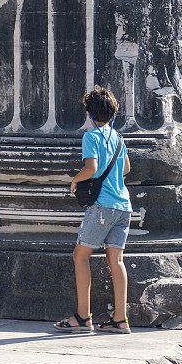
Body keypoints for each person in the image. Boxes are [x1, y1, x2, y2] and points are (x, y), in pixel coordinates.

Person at [54, 85, 133, 334]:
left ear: (89, 114)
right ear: (114, 114)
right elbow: (126, 169)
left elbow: (91, 168)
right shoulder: (119, 138)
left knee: (80, 256)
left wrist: (76, 180)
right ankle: (120, 320)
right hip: (124, 206)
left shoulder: (91, 137)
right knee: (116, 261)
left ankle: (82, 317)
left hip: (102, 207)